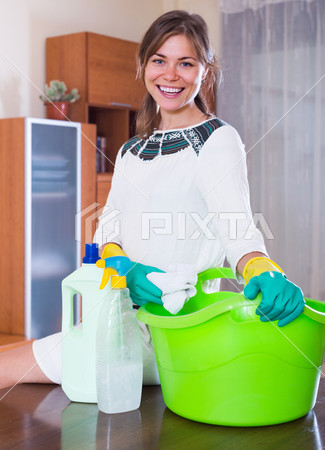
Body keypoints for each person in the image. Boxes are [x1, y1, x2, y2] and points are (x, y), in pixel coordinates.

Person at [0, 10, 304, 390]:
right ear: (143, 64)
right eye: (159, 60)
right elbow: (109, 228)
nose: (170, 75)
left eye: (186, 63)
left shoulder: (217, 140)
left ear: (204, 71)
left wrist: (262, 269)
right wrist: (124, 267)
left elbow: (238, 228)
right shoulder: (131, 149)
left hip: (171, 335)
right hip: (118, 318)